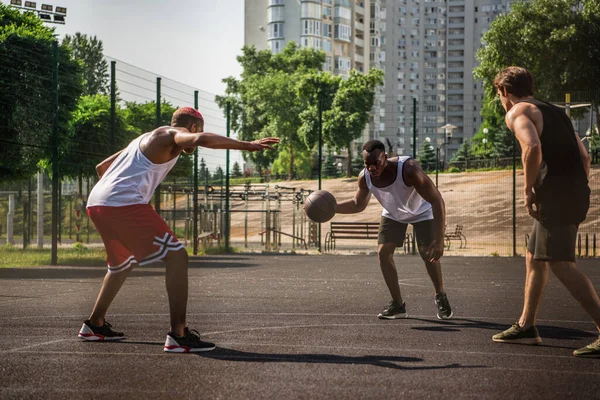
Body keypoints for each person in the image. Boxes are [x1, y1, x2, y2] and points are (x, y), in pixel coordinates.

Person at [78, 107, 279, 353]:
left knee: (122, 264)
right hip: (121, 202)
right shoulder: (174, 134)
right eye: (199, 129)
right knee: (176, 256)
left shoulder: (141, 140)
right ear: (192, 127)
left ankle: (94, 325)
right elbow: (200, 140)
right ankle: (178, 335)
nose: (198, 135)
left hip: (97, 202)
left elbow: (102, 168)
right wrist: (246, 145)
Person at [491, 66, 600, 357]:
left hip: (557, 196)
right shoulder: (555, 112)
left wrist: (528, 190)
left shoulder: (517, 112)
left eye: (498, 94)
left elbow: (533, 149)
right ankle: (526, 326)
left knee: (562, 264)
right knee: (535, 257)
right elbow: (584, 156)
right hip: (573, 191)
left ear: (503, 91)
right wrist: (576, 185)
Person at [335, 140, 452, 320]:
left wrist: (440, 239)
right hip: (393, 212)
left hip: (422, 210)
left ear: (386, 158)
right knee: (383, 252)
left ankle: (440, 295)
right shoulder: (365, 177)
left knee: (427, 252)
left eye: (376, 163)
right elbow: (358, 204)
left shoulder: (409, 169)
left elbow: (437, 201)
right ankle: (398, 305)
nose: (372, 168)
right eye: (368, 164)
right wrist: (331, 207)